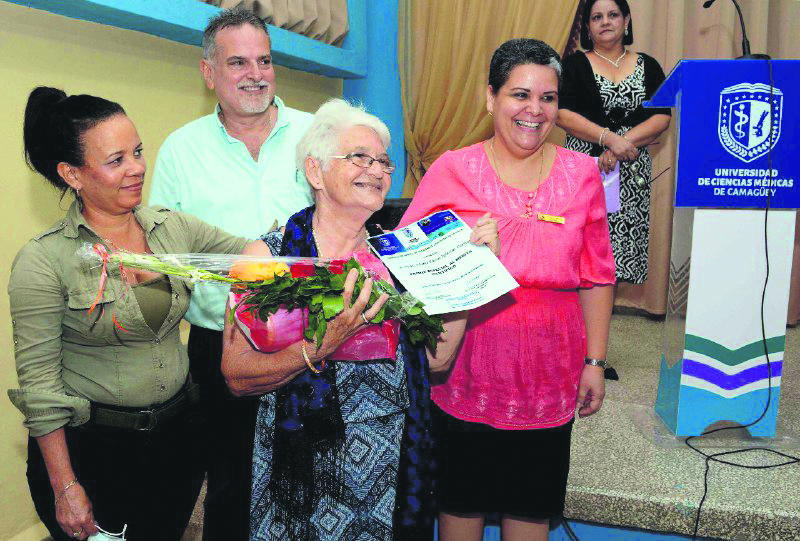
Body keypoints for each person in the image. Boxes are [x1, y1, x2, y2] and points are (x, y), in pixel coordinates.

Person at [220, 98, 500, 541]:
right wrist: (323, 343)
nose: (378, 170)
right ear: (315, 171)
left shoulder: (401, 257)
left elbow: (438, 360)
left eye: (384, 162)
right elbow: (237, 375)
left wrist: (467, 280)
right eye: (360, 157)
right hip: (302, 471)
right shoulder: (267, 258)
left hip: (392, 467)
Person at [9, 87, 256, 540]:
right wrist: (65, 487)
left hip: (176, 442)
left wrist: (337, 235)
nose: (137, 168)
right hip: (95, 453)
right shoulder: (43, 260)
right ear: (72, 174)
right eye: (116, 159)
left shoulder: (173, 228)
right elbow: (41, 389)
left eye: (138, 152)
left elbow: (255, 257)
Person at [399, 39, 616, 541]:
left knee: (530, 512)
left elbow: (597, 275)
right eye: (520, 94)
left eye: (548, 98)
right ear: (490, 97)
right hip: (464, 374)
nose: (535, 111)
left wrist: (595, 362)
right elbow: (403, 265)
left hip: (549, 374)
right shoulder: (452, 169)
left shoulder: (582, 173)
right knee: (461, 507)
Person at [147, 8, 314, 539]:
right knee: (231, 488)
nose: (255, 73)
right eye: (237, 61)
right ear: (208, 72)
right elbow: (165, 258)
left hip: (317, 340)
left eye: (264, 60)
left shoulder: (318, 134)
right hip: (220, 348)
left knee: (313, 484)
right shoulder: (180, 149)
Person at [557, 0, 671, 289]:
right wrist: (607, 138)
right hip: (586, 171)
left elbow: (662, 116)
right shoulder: (572, 65)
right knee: (582, 247)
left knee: (618, 253)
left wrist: (621, 144)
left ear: (626, 20)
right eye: (597, 17)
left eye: (613, 15)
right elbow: (561, 113)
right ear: (587, 26)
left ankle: (602, 320)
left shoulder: (649, 65)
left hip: (631, 172)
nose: (605, 22)